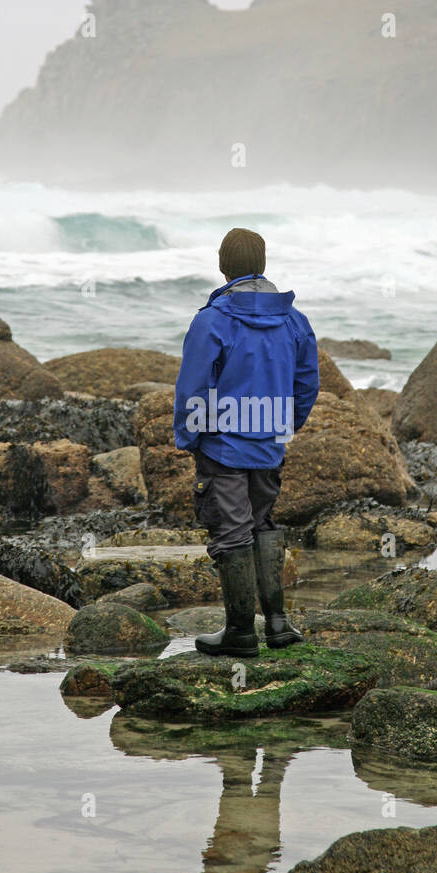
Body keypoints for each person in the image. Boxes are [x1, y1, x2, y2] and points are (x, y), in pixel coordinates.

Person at [173, 227, 319, 657]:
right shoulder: (293, 319)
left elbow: (193, 389)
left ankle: (240, 631)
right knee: (263, 523)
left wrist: (189, 437)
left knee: (231, 531)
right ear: (262, 265)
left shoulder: (212, 320)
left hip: (222, 446)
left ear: (223, 266)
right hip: (269, 442)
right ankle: (277, 624)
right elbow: (307, 382)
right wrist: (284, 425)